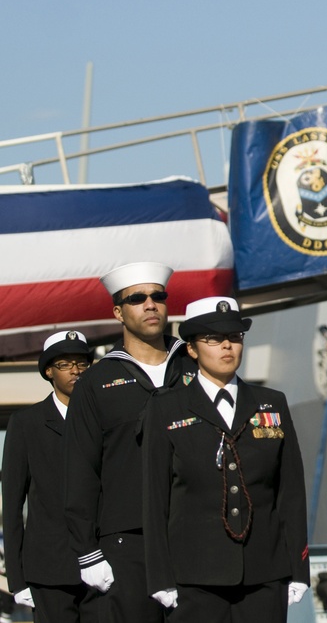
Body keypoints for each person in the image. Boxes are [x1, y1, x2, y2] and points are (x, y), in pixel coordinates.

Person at [142, 296, 309, 621]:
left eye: (234, 337)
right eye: (213, 339)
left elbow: (290, 495)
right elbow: (155, 500)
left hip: (264, 573)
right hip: (194, 577)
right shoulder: (166, 409)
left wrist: (298, 568)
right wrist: (161, 576)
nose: (226, 346)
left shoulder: (271, 404)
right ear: (192, 349)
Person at [64, 262, 196, 623]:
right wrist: (88, 553)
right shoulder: (95, 383)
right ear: (118, 312)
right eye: (137, 298)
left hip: (196, 534)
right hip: (127, 542)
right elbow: (80, 472)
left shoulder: (198, 366)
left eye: (158, 296)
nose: (150, 304)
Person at [2, 331, 98, 622]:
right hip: (50, 569)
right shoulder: (26, 424)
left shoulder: (104, 419)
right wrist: (18, 580)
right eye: (65, 365)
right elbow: (13, 504)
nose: (75, 371)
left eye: (81, 364)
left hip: (104, 563)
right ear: (49, 371)